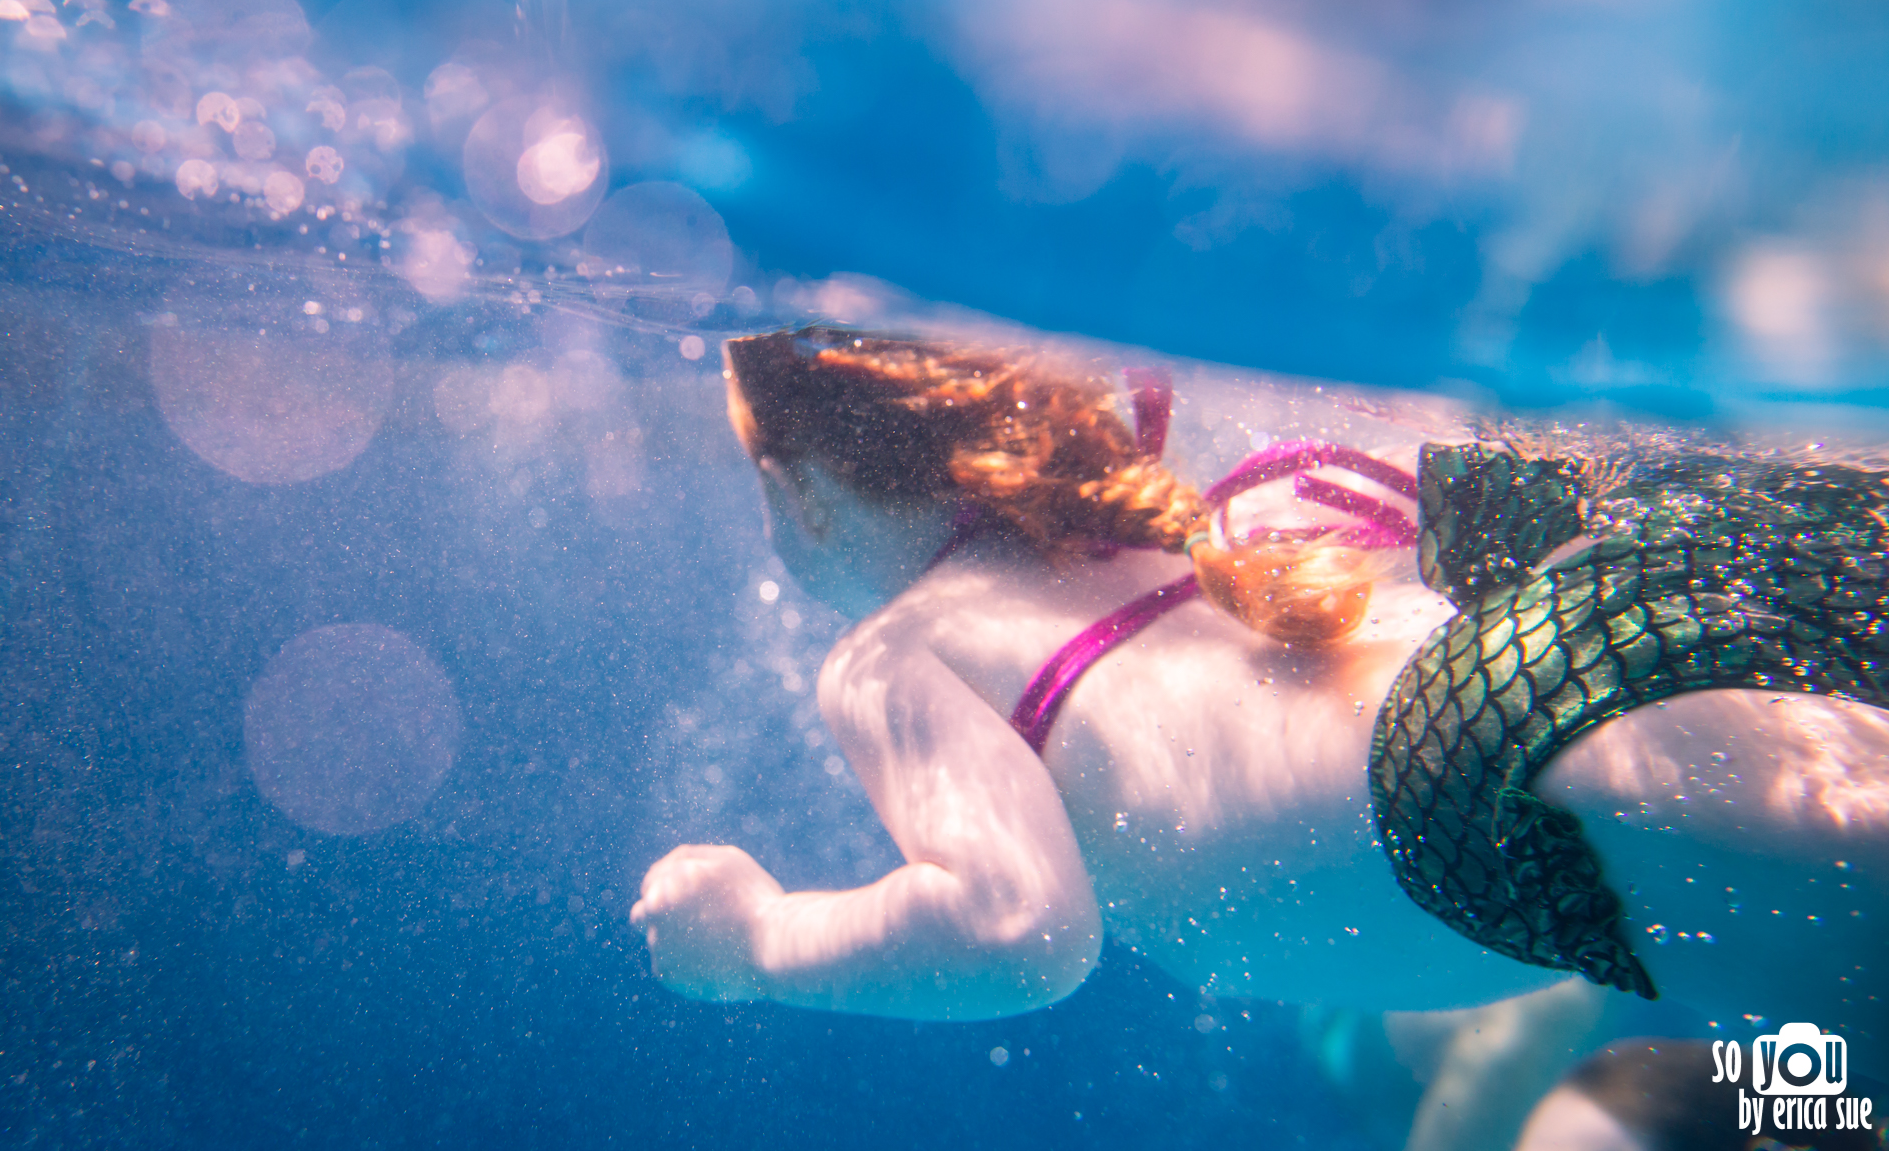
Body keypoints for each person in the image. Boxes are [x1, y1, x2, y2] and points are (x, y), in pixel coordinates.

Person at [631, 327, 1888, 1146]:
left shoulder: (893, 653)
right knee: (1825, 1078)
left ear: (793, 491)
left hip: (1467, 785)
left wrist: (756, 942)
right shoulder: (1146, 543)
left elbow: (1017, 934)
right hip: (1553, 648)